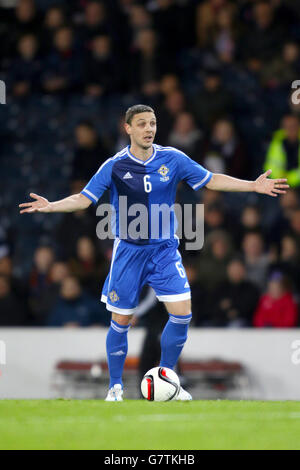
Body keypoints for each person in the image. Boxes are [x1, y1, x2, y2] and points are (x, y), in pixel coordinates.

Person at [19, 104, 289, 401]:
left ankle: (168, 379)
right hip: (129, 252)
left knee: (182, 315)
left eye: (153, 123)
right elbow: (85, 199)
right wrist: (51, 205)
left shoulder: (173, 158)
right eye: (143, 124)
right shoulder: (114, 165)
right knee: (121, 321)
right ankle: (115, 388)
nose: (149, 129)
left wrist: (253, 185)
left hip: (164, 250)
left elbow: (211, 179)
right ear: (128, 128)